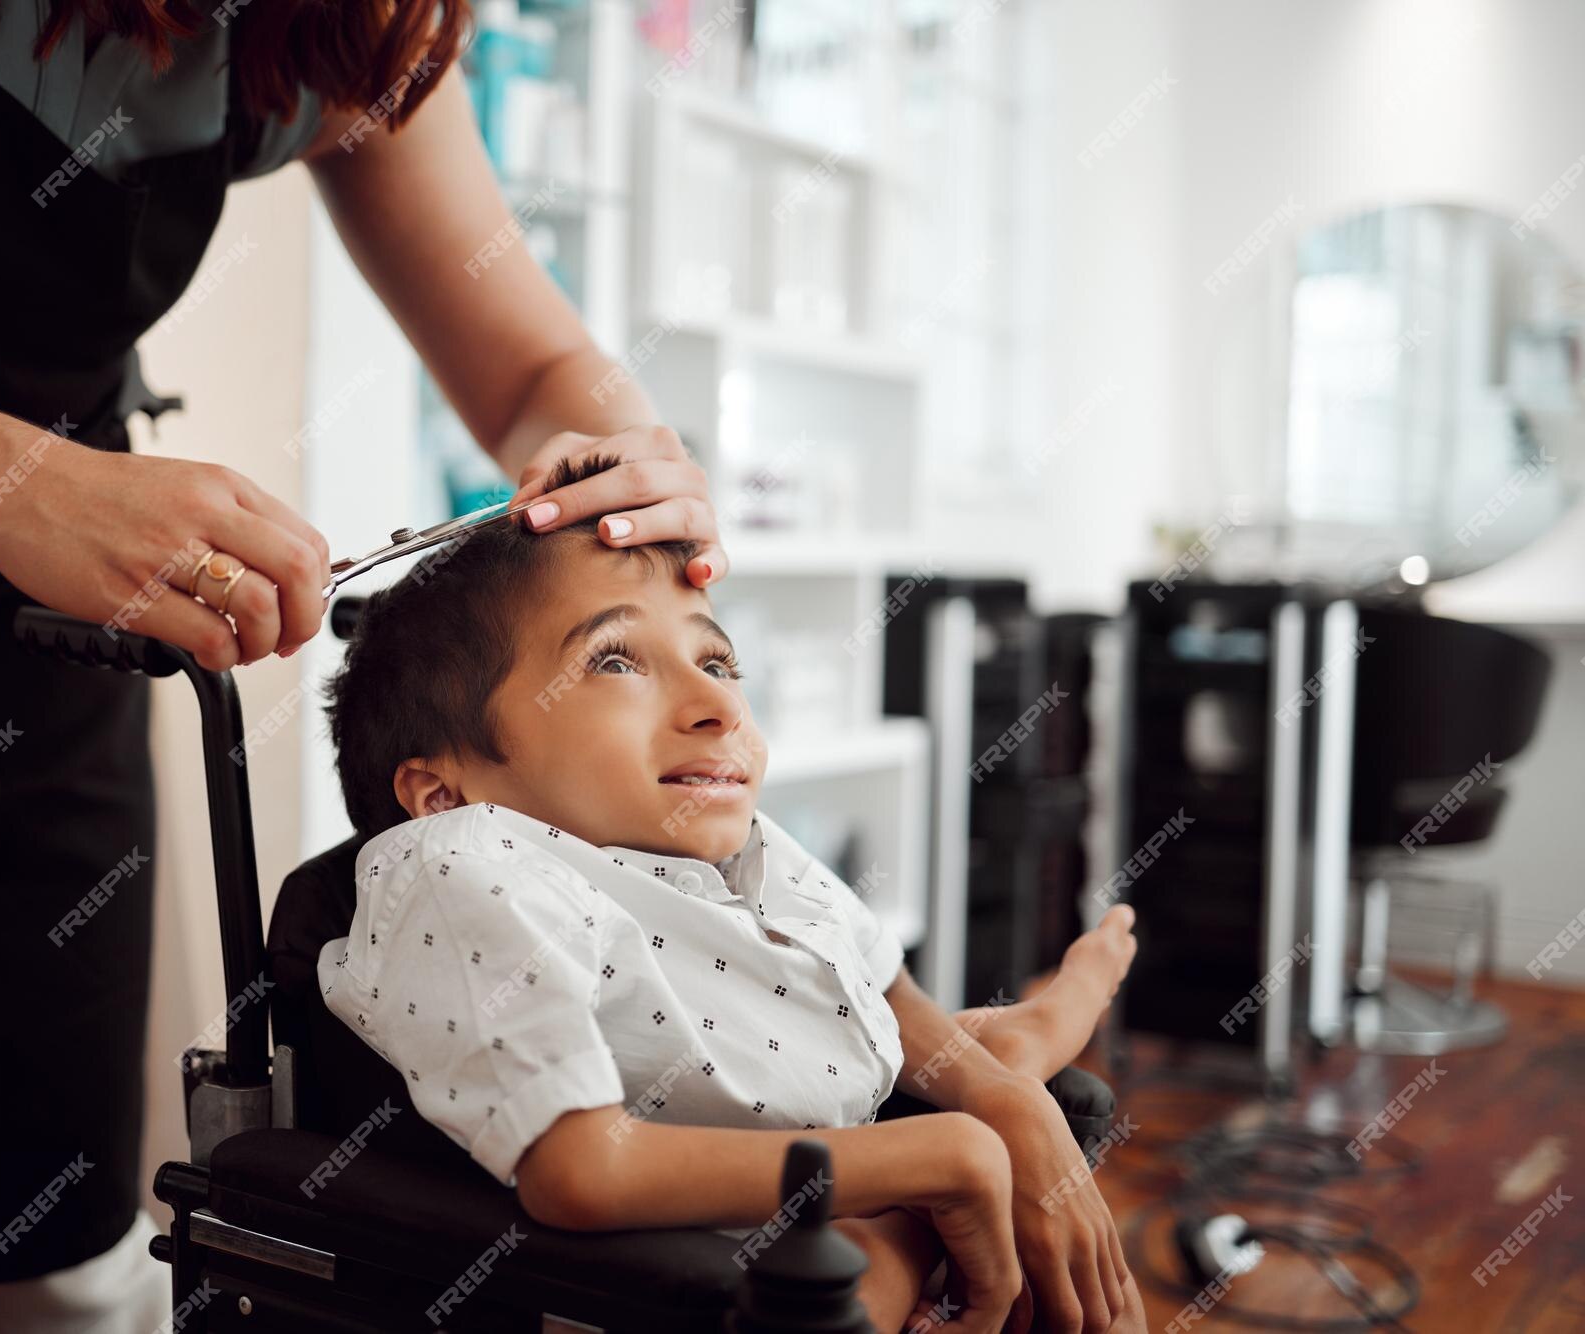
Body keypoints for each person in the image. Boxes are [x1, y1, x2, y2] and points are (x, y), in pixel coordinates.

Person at [0, 1, 724, 1329]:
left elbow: (531, 365)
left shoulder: (359, 24)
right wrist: (8, 480)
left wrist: (621, 447)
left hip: (36, 690)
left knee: (52, 1227)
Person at [318, 454, 1148, 1334]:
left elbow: (876, 983)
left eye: (717, 658)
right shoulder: (463, 865)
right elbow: (578, 1171)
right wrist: (927, 1160)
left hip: (841, 1092)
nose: (717, 700)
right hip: (748, 1248)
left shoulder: (721, 836)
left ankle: (1023, 1034)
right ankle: (1004, 1065)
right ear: (444, 793)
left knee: (971, 1069)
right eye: (613, 661)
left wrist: (994, 1099)